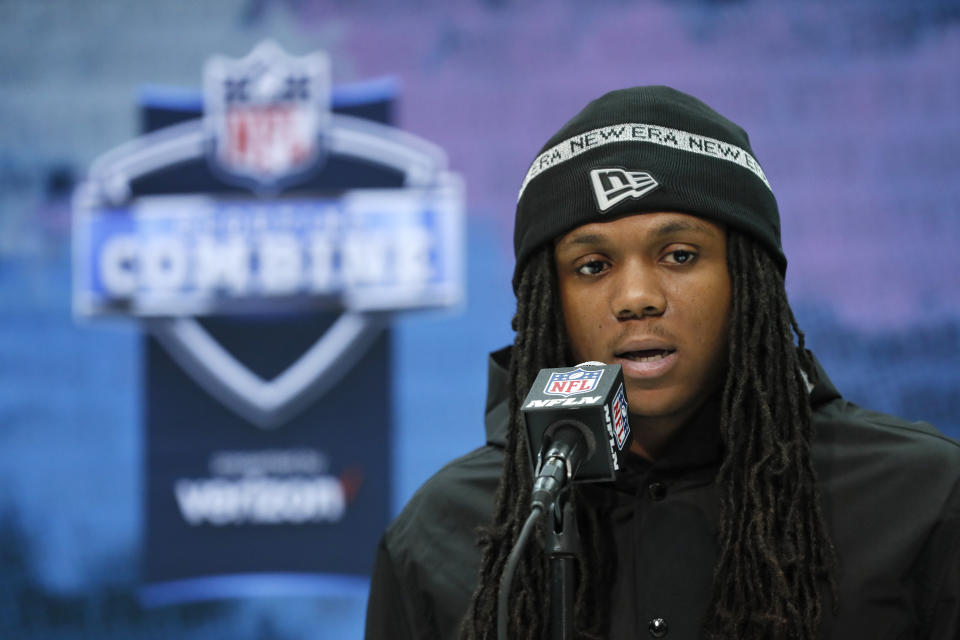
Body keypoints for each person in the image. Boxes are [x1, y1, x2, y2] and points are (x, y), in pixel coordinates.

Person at [364, 86, 960, 640]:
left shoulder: (923, 498)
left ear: (748, 281)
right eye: (592, 266)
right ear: (549, 303)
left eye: (679, 254)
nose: (636, 297)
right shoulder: (440, 535)